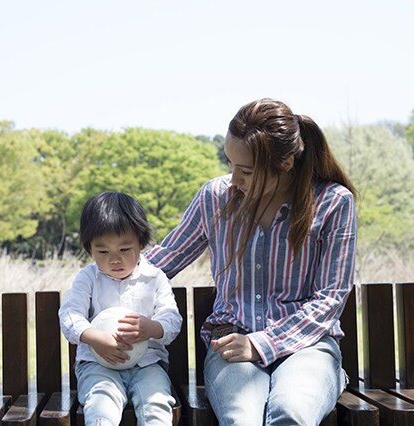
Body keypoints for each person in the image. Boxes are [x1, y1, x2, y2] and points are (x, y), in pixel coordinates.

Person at [145, 98, 357, 425]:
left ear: (285, 164)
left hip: (309, 347)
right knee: (243, 419)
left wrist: (261, 344)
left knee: (291, 413)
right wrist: (95, 285)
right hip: (229, 345)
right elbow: (161, 262)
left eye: (244, 171)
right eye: (229, 163)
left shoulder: (333, 203)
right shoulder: (215, 197)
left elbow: (330, 298)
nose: (232, 179)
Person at [59, 191, 182, 426]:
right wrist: (95, 338)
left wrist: (152, 328)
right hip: (98, 366)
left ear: (141, 243)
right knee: (100, 404)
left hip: (148, 365)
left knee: (156, 405)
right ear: (90, 249)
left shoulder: (155, 278)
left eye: (125, 249)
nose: (115, 259)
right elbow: (69, 315)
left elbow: (172, 318)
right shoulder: (88, 279)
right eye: (103, 251)